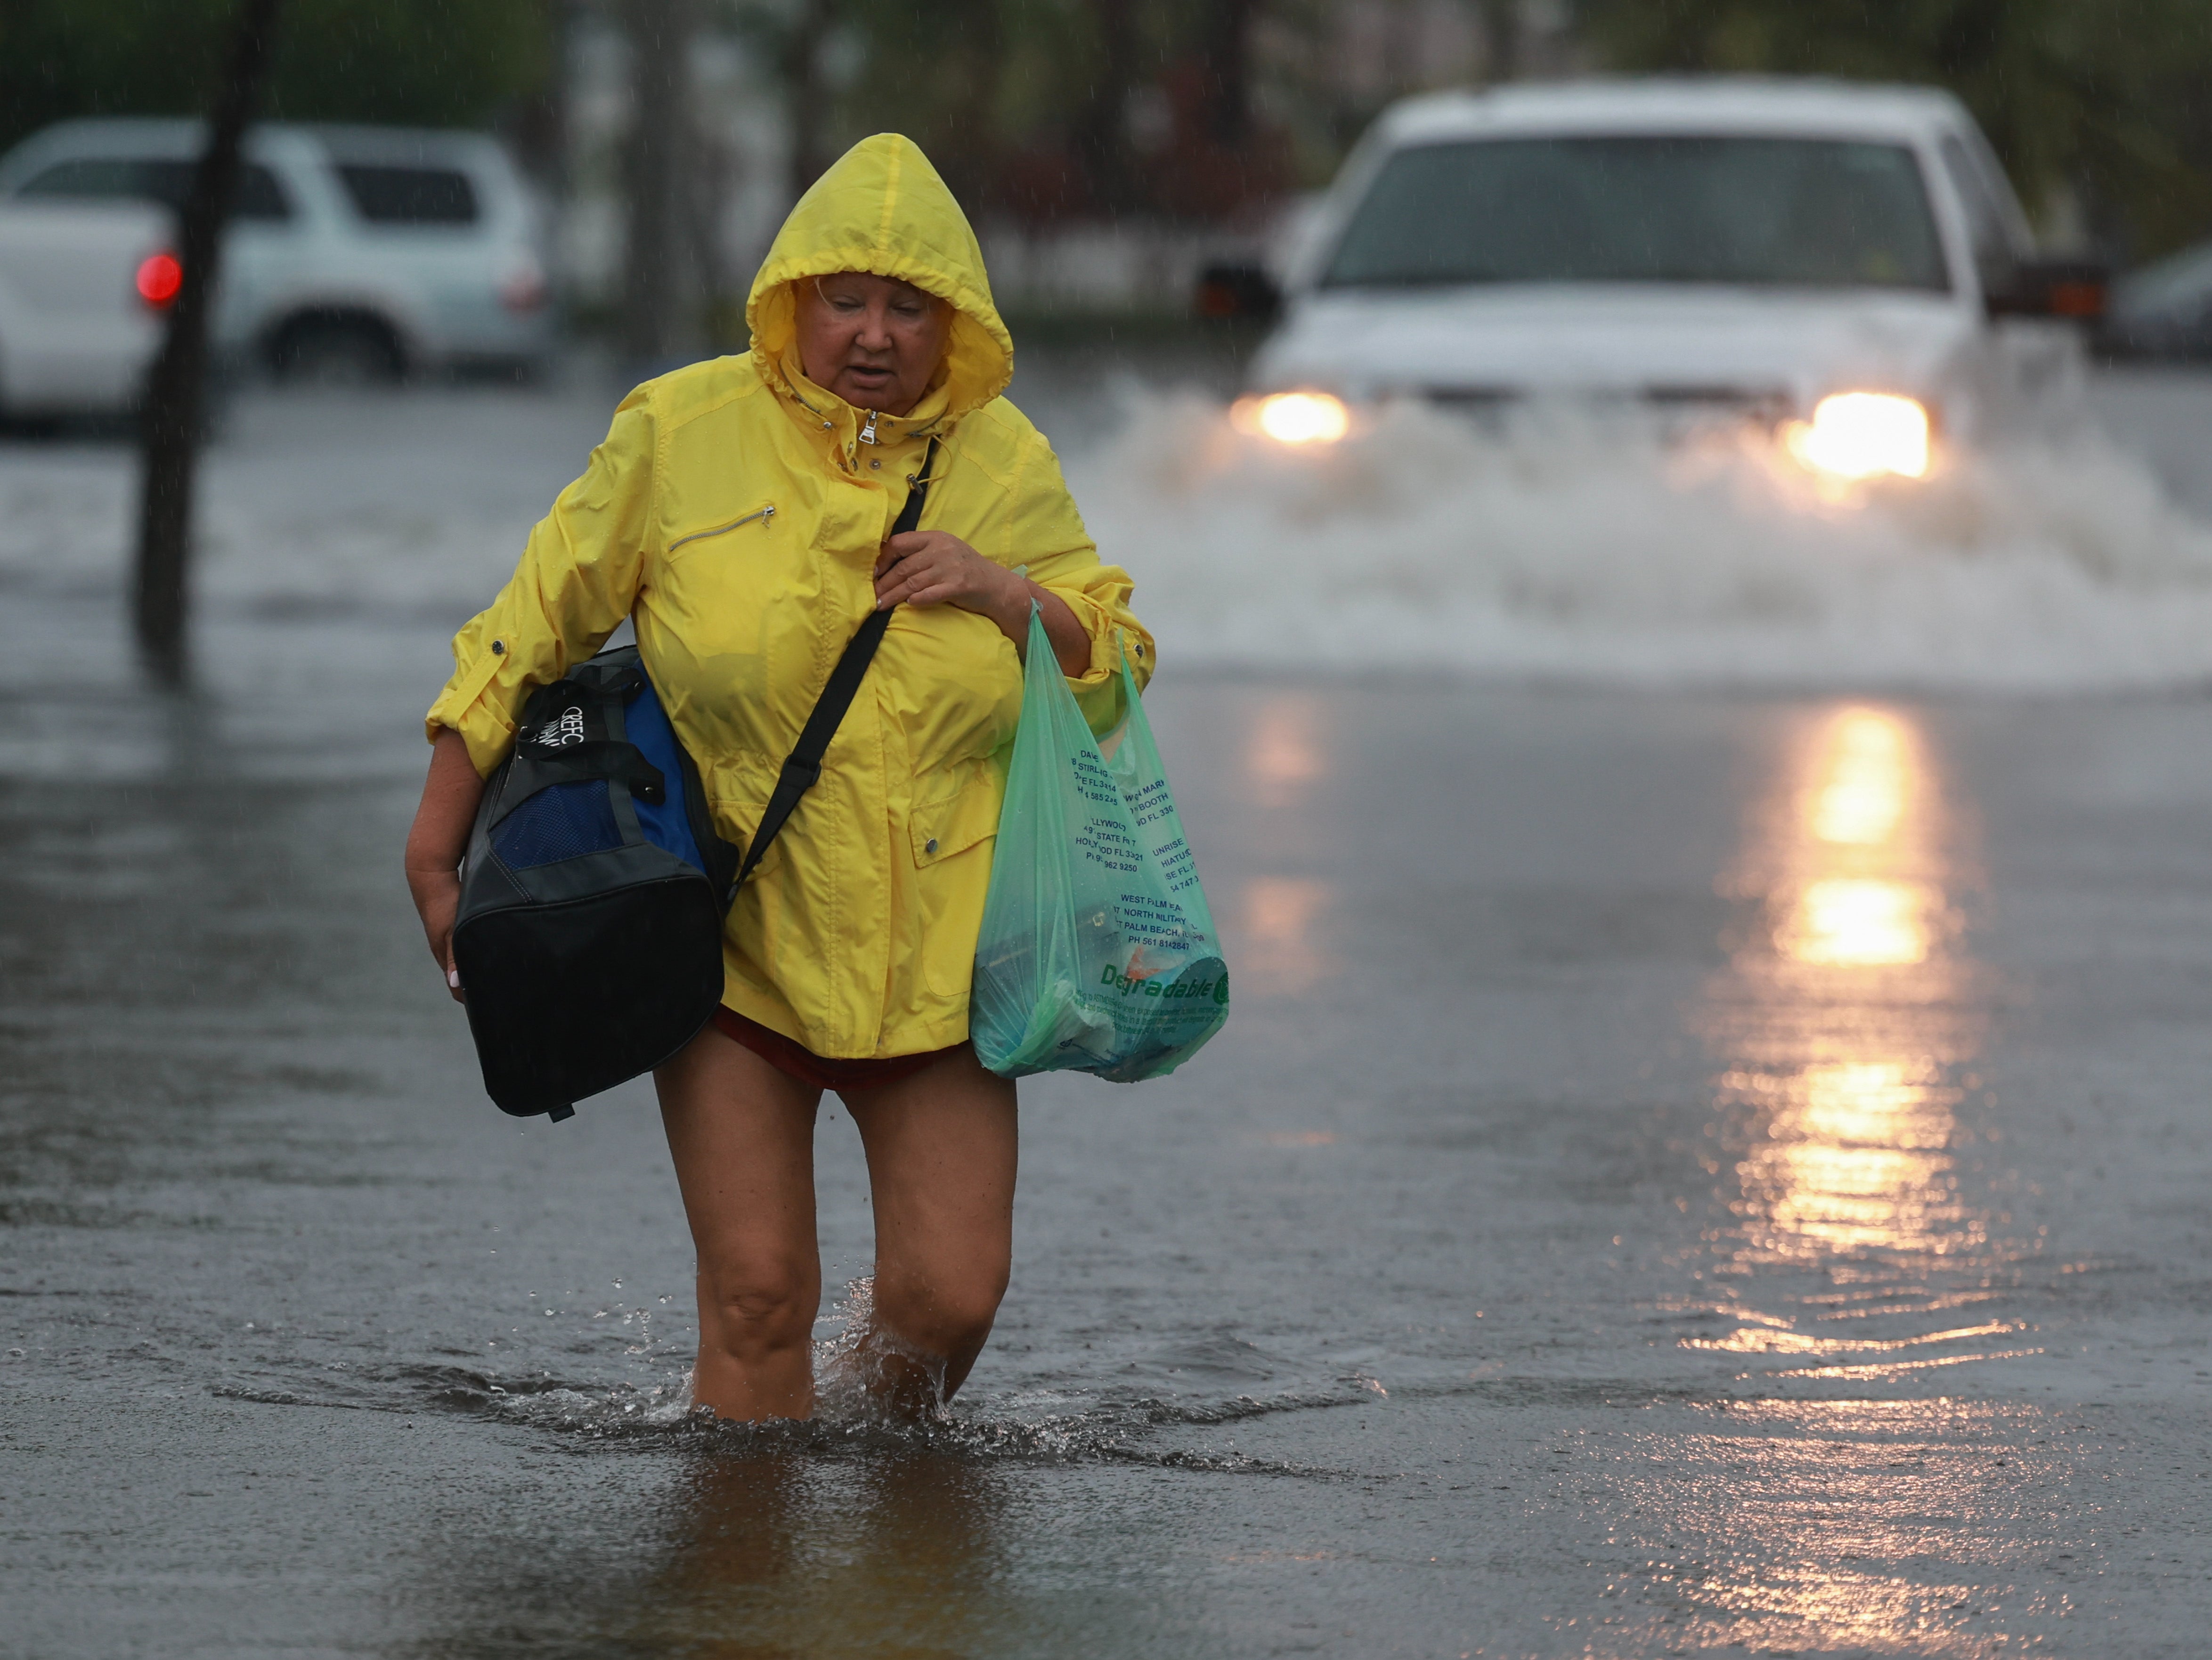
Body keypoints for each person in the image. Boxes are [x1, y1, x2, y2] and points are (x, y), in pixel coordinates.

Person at [402, 135, 1152, 1423]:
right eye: (844, 299)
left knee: (948, 1302)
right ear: (791, 298)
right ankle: (743, 1585)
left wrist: (1002, 589)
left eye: (907, 305)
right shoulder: (679, 434)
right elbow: (532, 627)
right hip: (729, 946)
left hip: (941, 969)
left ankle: (867, 1509)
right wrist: (435, 842)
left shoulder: (1002, 458)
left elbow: (1118, 661)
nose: (873, 334)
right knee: (758, 1299)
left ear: (953, 322)